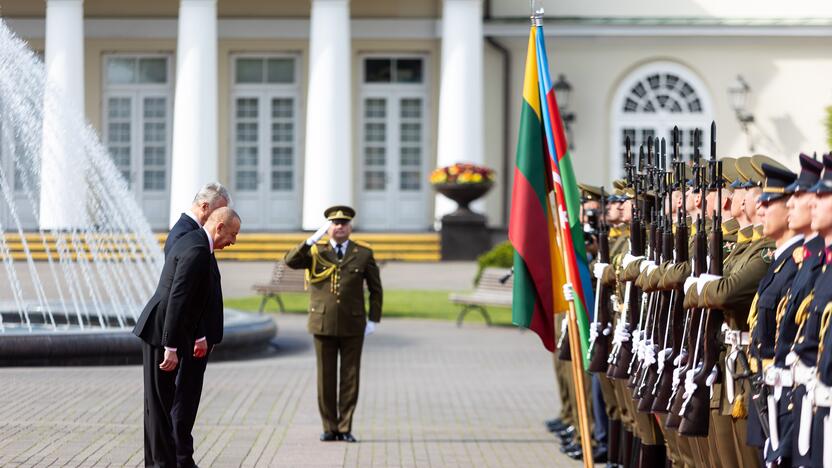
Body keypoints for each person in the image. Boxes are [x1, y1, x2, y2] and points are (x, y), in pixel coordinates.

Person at [133, 207, 240, 467]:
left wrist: (199, 336)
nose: (233, 241)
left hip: (166, 331)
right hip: (161, 333)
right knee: (160, 408)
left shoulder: (196, 242)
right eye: (233, 234)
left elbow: (192, 301)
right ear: (219, 227)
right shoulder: (198, 251)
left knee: (159, 406)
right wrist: (170, 345)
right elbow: (177, 300)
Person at [284, 206, 383, 443]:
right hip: (323, 322)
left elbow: (375, 289)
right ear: (328, 227)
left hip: (353, 323)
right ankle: (329, 426)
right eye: (335, 223)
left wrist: (373, 319)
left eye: (344, 223)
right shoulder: (316, 251)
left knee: (350, 377)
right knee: (325, 377)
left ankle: (345, 426)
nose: (340, 226)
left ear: (350, 227)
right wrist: (310, 240)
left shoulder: (363, 253)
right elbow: (290, 261)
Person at [164, 182, 232, 468]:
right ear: (206, 207)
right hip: (192, 339)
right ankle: (181, 460)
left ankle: (182, 457)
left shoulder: (194, 233)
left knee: (188, 401)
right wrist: (199, 333)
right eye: (221, 212)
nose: (224, 218)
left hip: (196, 337)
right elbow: (184, 295)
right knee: (183, 401)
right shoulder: (186, 234)